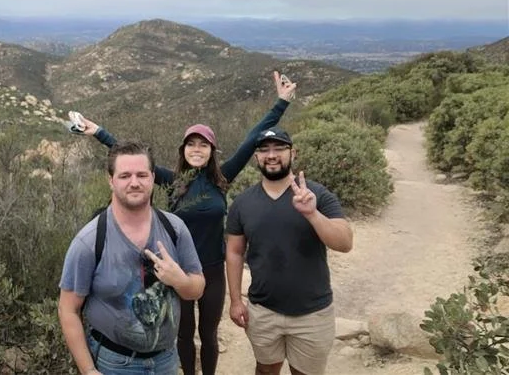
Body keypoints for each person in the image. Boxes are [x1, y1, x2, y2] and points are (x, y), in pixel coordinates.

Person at [74, 72, 297, 375]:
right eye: (191, 144)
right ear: (183, 150)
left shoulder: (222, 179)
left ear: (211, 151)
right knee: (182, 334)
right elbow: (135, 162)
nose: (196, 149)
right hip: (177, 270)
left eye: (203, 144)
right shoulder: (172, 181)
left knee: (208, 335)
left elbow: (252, 137)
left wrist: (281, 102)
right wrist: (99, 131)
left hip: (213, 269)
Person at [58, 140, 205, 375]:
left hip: (166, 359)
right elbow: (68, 309)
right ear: (111, 180)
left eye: (142, 175)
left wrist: (180, 281)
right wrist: (88, 370)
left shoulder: (174, 229)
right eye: (125, 175)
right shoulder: (90, 241)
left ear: (153, 178)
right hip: (113, 364)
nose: (134, 183)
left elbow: (197, 288)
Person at [225, 127, 353, 375]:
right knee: (265, 370)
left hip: (313, 313)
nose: (271, 155)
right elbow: (235, 252)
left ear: (293, 153)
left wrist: (312, 214)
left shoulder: (317, 194)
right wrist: (236, 300)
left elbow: (345, 242)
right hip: (262, 311)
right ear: (256, 158)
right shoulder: (242, 203)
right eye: (264, 150)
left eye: (279, 148)